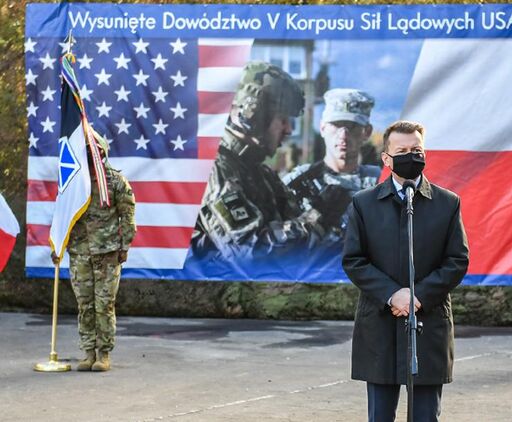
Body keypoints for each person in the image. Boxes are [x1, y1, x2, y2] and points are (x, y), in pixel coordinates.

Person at [342, 120, 469, 422]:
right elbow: (354, 260)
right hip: (380, 325)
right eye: (402, 151)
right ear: (386, 158)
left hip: (427, 323)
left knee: (426, 416)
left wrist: (418, 296)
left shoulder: (447, 203)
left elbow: (457, 260)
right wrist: (392, 294)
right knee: (380, 416)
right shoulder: (364, 204)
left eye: (416, 150)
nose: (411, 156)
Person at [192, 62, 324, 258]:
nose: (289, 130)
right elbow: (251, 251)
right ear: (253, 116)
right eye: (283, 119)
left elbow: (294, 224)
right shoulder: (214, 168)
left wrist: (321, 207)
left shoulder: (258, 171)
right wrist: (317, 220)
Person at [52, 131, 136, 372]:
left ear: (102, 152)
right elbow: (62, 214)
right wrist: (58, 244)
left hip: (107, 253)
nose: (90, 155)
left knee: (104, 304)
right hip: (80, 252)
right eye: (86, 151)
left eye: (94, 151)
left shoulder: (115, 182)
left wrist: (124, 246)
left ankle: (104, 354)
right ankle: (88, 352)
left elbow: (128, 217)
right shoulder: (74, 183)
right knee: (85, 304)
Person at [284, 88, 380, 243]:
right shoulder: (299, 181)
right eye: (336, 125)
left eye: (352, 126)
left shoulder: (381, 183)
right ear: (323, 128)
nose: (343, 135)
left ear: (367, 132)